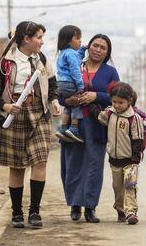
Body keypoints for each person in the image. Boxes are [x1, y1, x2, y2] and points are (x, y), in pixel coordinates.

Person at [0, 21, 61, 228]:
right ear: (26, 39)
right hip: (15, 115)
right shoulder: (5, 63)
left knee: (40, 161)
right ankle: (16, 213)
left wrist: (53, 100)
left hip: (39, 114)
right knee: (17, 166)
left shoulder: (42, 59)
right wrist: (5, 106)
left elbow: (52, 83)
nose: (42, 42)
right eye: (38, 37)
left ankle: (34, 212)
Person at [60, 34, 120, 223]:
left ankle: (90, 207)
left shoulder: (110, 72)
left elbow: (119, 97)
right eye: (95, 45)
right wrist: (66, 100)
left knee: (94, 165)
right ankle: (75, 205)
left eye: (103, 47)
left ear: (107, 52)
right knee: (72, 164)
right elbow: (61, 89)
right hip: (72, 124)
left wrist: (96, 96)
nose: (98, 49)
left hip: (96, 124)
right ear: (88, 46)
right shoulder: (76, 64)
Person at [89, 82, 144, 225]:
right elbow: (99, 117)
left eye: (121, 102)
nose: (117, 105)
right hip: (114, 160)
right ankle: (121, 210)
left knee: (130, 186)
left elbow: (138, 139)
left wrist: (135, 158)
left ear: (129, 101)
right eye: (114, 102)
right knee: (118, 188)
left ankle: (131, 212)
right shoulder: (110, 113)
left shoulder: (134, 118)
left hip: (130, 160)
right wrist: (91, 105)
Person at [55, 25, 85, 143]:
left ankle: (63, 128)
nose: (80, 41)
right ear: (68, 40)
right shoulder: (71, 53)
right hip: (70, 83)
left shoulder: (63, 53)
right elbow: (75, 70)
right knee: (77, 103)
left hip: (60, 84)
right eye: (77, 38)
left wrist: (82, 50)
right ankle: (74, 128)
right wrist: (80, 86)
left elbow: (77, 58)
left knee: (69, 106)